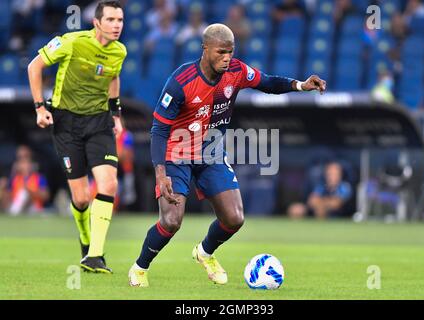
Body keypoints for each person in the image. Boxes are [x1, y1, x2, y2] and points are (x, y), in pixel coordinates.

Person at [128, 23, 326, 287]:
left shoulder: (236, 71)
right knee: (172, 220)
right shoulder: (180, 82)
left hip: (211, 152)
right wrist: (160, 173)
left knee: (234, 218)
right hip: (177, 152)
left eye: (230, 52)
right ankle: (140, 267)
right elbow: (159, 129)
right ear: (205, 49)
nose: (226, 58)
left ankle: (204, 253)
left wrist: (301, 85)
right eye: (221, 52)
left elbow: (267, 82)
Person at [27, 0, 127, 273]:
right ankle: (85, 242)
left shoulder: (120, 51)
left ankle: (96, 255)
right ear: (97, 22)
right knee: (81, 199)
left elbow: (113, 77)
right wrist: (39, 107)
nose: (117, 25)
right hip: (66, 123)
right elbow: (34, 67)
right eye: (111, 20)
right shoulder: (70, 42)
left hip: (99, 122)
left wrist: (115, 113)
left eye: (120, 20)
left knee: (108, 184)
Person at [287, 161, 352, 220]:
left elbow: (336, 204)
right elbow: (311, 201)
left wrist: (321, 203)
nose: (331, 177)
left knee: (321, 209)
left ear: (340, 175)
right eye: (330, 174)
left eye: (335, 174)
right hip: (316, 210)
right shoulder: (321, 186)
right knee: (296, 209)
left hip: (337, 216)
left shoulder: (344, 186)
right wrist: (323, 203)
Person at [5, 149, 50, 216]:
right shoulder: (14, 178)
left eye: (28, 163)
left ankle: (15, 212)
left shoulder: (39, 178)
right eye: (23, 163)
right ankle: (14, 212)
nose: (26, 166)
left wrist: (30, 192)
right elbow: (8, 195)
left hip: (34, 207)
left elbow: (46, 196)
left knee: (25, 193)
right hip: (17, 206)